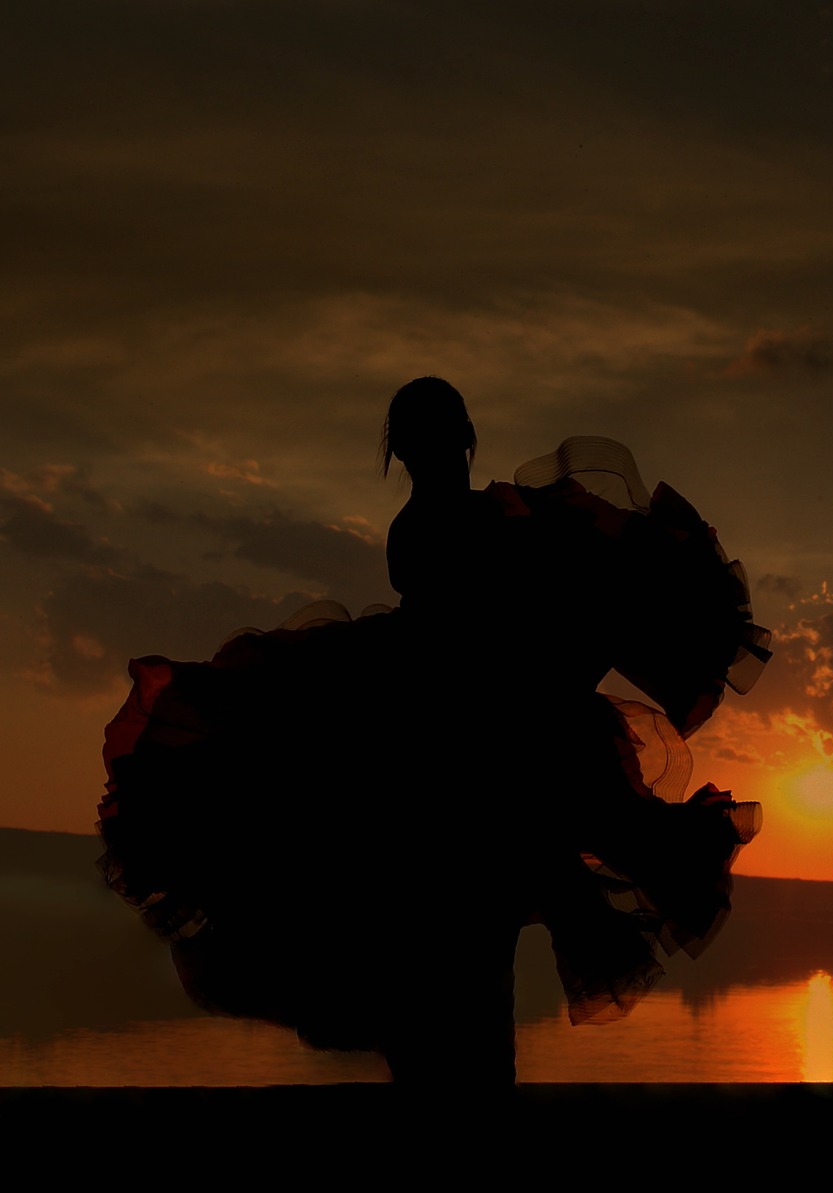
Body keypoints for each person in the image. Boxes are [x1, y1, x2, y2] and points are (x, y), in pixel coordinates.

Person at [96, 376, 770, 1090]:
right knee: (451, 941)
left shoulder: (492, 522)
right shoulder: (494, 522)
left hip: (463, 744)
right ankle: (448, 1076)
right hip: (454, 743)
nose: (430, 454)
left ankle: (446, 1075)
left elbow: (547, 619)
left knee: (453, 939)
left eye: (430, 441)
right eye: (425, 442)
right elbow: (539, 619)